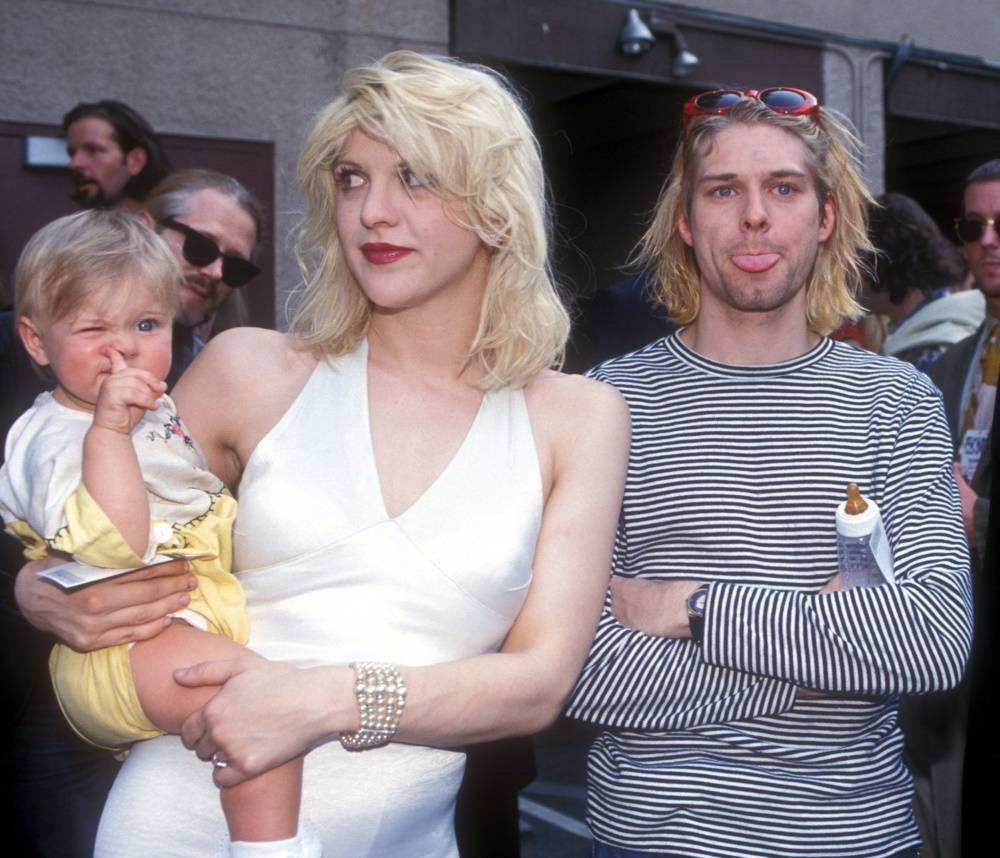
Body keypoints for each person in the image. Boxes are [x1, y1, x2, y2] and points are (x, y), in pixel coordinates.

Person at [16, 51, 629, 857]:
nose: (372, 211)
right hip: (180, 821)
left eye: (415, 176)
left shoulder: (578, 417)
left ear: (496, 204)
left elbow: (537, 686)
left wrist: (325, 700)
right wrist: (37, 588)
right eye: (351, 178)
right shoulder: (251, 368)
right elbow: (80, 499)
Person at [564, 87, 972, 857]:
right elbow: (579, 670)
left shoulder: (896, 401)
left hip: (854, 835)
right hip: (654, 838)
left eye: (783, 188)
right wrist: (831, 661)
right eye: (724, 190)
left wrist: (693, 609)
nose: (755, 216)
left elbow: (930, 641)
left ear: (824, 218)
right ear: (686, 221)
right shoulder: (604, 402)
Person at [0, 210, 315, 857]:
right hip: (118, 650)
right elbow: (111, 546)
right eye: (94, 329)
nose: (125, 348)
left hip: (171, 627)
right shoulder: (53, 436)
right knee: (262, 710)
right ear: (36, 342)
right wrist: (109, 434)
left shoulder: (152, 409)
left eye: (146, 325)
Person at [140, 169, 262, 386]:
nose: (216, 272)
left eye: (235, 266)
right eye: (200, 246)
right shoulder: (70, 334)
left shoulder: (215, 381)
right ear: (146, 229)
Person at [863, 191, 981, 372]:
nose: (845, 274)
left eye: (854, 260)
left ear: (883, 261)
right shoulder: (917, 333)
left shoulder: (934, 350)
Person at [62, 100, 171, 212]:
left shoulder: (169, 227)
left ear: (135, 161)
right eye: (72, 153)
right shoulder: (69, 228)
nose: (74, 163)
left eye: (93, 150)